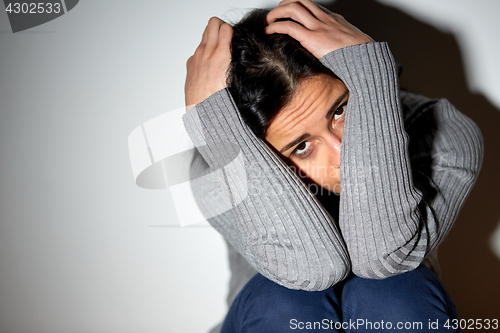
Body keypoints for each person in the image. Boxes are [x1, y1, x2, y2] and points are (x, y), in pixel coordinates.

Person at [183, 0, 483, 332]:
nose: (342, 152)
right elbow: (312, 270)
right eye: (301, 146)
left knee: (395, 292)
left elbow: (384, 258)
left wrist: (370, 76)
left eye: (340, 110)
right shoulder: (215, 168)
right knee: (284, 300)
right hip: (269, 321)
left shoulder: (441, 133)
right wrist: (222, 134)